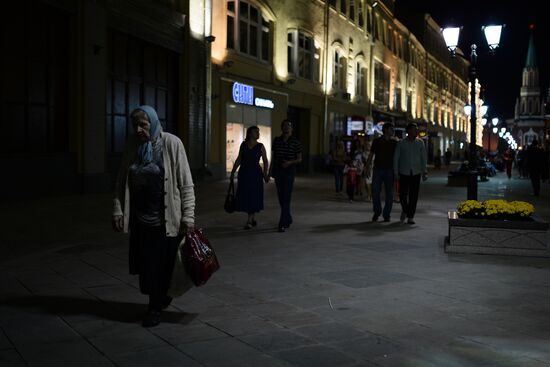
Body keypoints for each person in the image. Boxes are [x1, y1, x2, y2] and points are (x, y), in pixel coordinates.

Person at [112, 105, 195, 328]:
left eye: (143, 124)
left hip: (167, 221)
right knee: (148, 267)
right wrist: (118, 209)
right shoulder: (132, 145)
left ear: (154, 123)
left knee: (164, 267)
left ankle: (154, 308)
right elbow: (121, 179)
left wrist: (189, 217)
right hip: (141, 220)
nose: (138, 129)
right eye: (135, 125)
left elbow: (186, 184)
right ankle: (156, 302)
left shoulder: (171, 143)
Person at [230, 126, 270, 229]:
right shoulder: (243, 145)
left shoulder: (261, 146)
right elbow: (239, 159)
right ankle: (252, 218)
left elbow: (265, 161)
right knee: (246, 195)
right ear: (250, 133)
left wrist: (265, 174)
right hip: (244, 173)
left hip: (256, 174)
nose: (258, 133)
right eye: (255, 132)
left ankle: (249, 220)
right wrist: (233, 171)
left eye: (258, 132)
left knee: (254, 195)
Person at [269, 119, 302, 232]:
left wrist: (290, 162)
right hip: (278, 170)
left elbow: (299, 159)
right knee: (281, 197)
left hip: (289, 171)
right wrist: (269, 171)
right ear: (281, 128)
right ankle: (288, 218)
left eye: (289, 125)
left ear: (292, 129)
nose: (286, 127)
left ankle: (282, 223)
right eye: (284, 125)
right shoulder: (277, 140)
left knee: (286, 196)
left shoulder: (296, 142)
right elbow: (273, 157)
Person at [393, 123, 427, 225]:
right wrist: (395, 172)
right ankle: (405, 209)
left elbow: (423, 158)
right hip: (404, 172)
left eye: (416, 129)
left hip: (416, 172)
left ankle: (410, 217)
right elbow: (396, 158)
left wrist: (424, 171)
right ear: (408, 131)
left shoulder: (420, 143)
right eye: (413, 129)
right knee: (402, 195)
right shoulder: (401, 143)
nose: (416, 131)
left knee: (413, 196)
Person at [365, 122, 398, 222]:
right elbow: (371, 155)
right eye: (391, 129)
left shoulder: (394, 143)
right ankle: (377, 211)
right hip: (378, 169)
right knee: (375, 192)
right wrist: (367, 167)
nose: (393, 131)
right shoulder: (377, 141)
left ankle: (386, 214)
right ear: (386, 130)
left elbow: (398, 158)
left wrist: (397, 171)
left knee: (390, 193)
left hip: (390, 170)